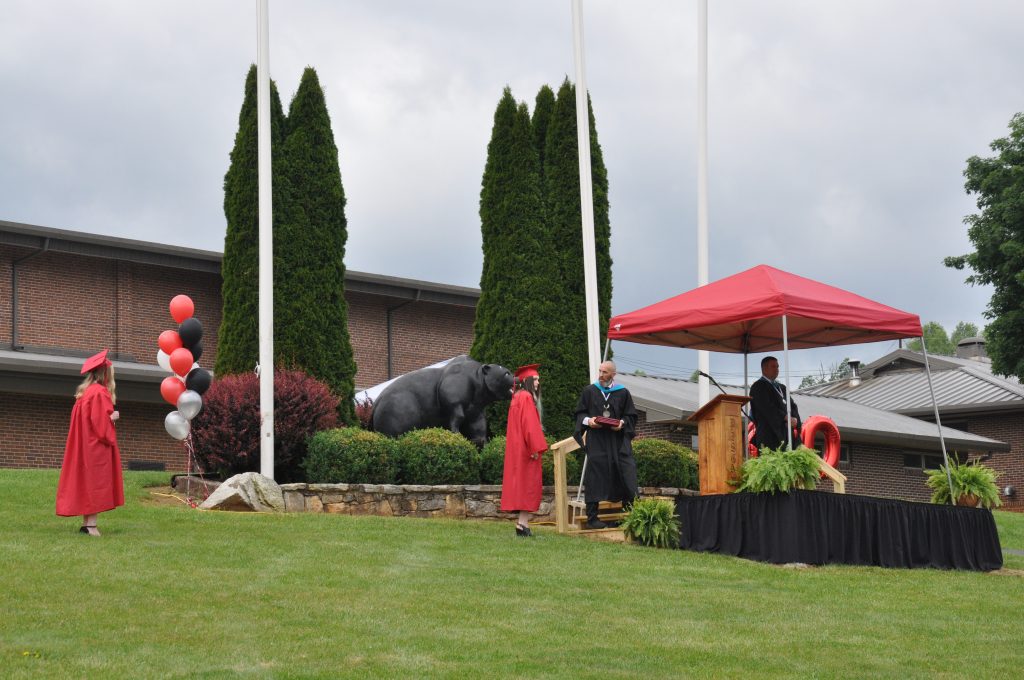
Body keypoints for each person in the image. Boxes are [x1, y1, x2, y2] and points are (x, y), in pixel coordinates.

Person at [56, 349, 124, 536]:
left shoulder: (85, 392)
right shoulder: (100, 393)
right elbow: (101, 426)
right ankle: (91, 525)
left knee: (87, 481)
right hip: (95, 446)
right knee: (96, 482)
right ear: (106, 374)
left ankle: (87, 523)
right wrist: (113, 417)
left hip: (84, 445)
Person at [573, 360, 638, 529]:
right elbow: (580, 414)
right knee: (595, 475)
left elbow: (630, 416)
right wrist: (589, 421)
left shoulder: (623, 393)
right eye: (600, 371)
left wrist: (621, 424)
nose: (601, 375)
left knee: (626, 472)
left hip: (617, 442)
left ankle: (628, 515)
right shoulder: (589, 391)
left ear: (613, 374)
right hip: (597, 441)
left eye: (605, 372)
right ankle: (592, 518)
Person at [499, 364, 548, 537]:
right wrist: (535, 447)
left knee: (522, 487)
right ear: (527, 380)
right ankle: (522, 524)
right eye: (535, 379)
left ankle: (522, 524)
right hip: (527, 450)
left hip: (517, 449)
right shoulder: (526, 397)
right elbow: (530, 426)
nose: (538, 383)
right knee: (528, 486)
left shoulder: (517, 397)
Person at [749, 355, 801, 451]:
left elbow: (793, 405)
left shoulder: (782, 387)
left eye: (777, 367)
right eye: (773, 366)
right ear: (764, 368)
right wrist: (785, 417)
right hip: (769, 435)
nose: (777, 369)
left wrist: (795, 419)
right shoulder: (758, 387)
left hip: (787, 434)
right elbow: (767, 408)